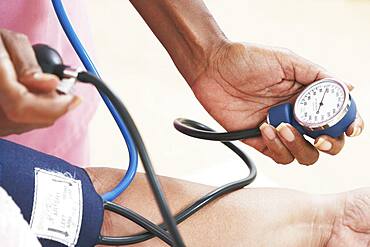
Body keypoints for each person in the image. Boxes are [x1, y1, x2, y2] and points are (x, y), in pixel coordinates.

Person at [0, 0, 367, 246]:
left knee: (64, 192)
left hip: (37, 87)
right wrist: (319, 226)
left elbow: (87, 205)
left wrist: (208, 53)